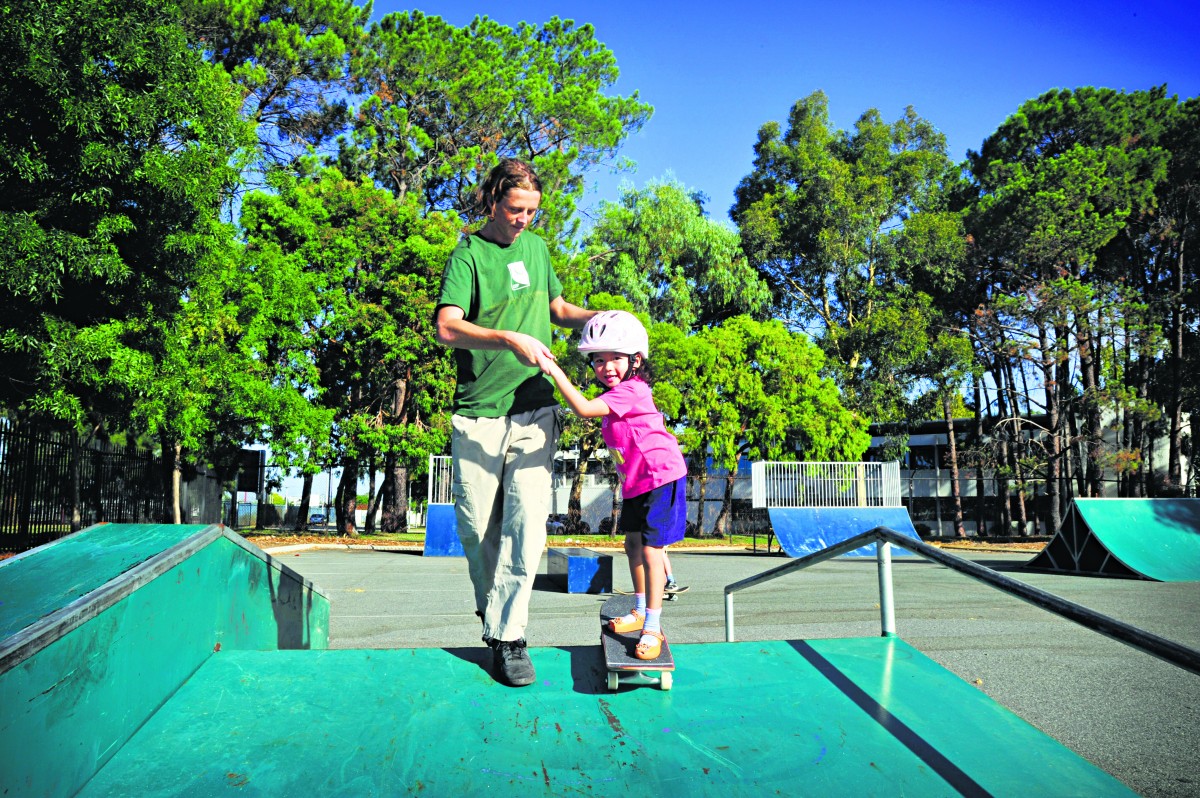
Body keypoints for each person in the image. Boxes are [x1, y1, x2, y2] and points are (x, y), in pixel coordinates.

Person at [434, 158, 595, 687]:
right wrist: (507, 338)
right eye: (514, 209)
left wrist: (598, 318)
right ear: (492, 201)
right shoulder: (470, 254)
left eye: (532, 211)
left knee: (526, 525)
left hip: (534, 406)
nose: (524, 219)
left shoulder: (538, 249)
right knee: (477, 527)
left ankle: (509, 637)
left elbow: (558, 307)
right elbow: (447, 327)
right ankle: (496, 616)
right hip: (479, 411)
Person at [539, 310, 687, 660]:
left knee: (651, 551)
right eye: (599, 360)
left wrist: (554, 370)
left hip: (661, 478)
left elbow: (584, 409)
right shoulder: (619, 392)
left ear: (636, 359)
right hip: (637, 483)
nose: (607, 367)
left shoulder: (631, 390)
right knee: (632, 545)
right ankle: (639, 610)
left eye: (616, 359)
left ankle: (652, 624)